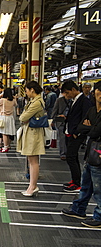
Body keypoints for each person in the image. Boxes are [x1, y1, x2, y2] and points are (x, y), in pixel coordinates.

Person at [61, 80, 101, 228]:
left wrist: (88, 128)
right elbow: (83, 126)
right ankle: (79, 209)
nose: (99, 94)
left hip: (99, 153)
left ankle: (99, 216)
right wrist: (88, 128)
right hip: (91, 151)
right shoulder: (92, 110)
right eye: (98, 91)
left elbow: (94, 130)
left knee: (98, 188)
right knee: (86, 185)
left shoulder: (90, 108)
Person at [61, 80, 93, 192]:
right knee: (72, 157)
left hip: (76, 134)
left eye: (67, 93)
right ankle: (75, 180)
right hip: (69, 132)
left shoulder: (84, 101)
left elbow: (85, 118)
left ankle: (77, 183)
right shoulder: (74, 100)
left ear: (74, 90)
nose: (66, 95)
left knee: (71, 157)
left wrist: (77, 133)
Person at [17, 81, 46, 197]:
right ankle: (31, 185)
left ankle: (33, 186)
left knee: (33, 161)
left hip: (33, 134)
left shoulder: (37, 102)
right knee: (31, 160)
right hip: (32, 133)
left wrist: (25, 118)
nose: (26, 93)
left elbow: (23, 117)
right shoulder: (34, 101)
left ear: (32, 90)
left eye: (27, 90)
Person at [0, 88, 17, 153]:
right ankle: (8, 145)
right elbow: (15, 104)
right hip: (10, 118)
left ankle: (5, 147)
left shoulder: (3, 100)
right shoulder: (13, 100)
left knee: (4, 133)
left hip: (3, 117)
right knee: (9, 132)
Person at [51, 92, 71, 160]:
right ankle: (63, 153)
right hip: (61, 121)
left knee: (69, 138)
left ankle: (68, 152)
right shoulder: (59, 100)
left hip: (70, 122)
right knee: (62, 138)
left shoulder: (73, 100)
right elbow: (54, 111)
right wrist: (53, 120)